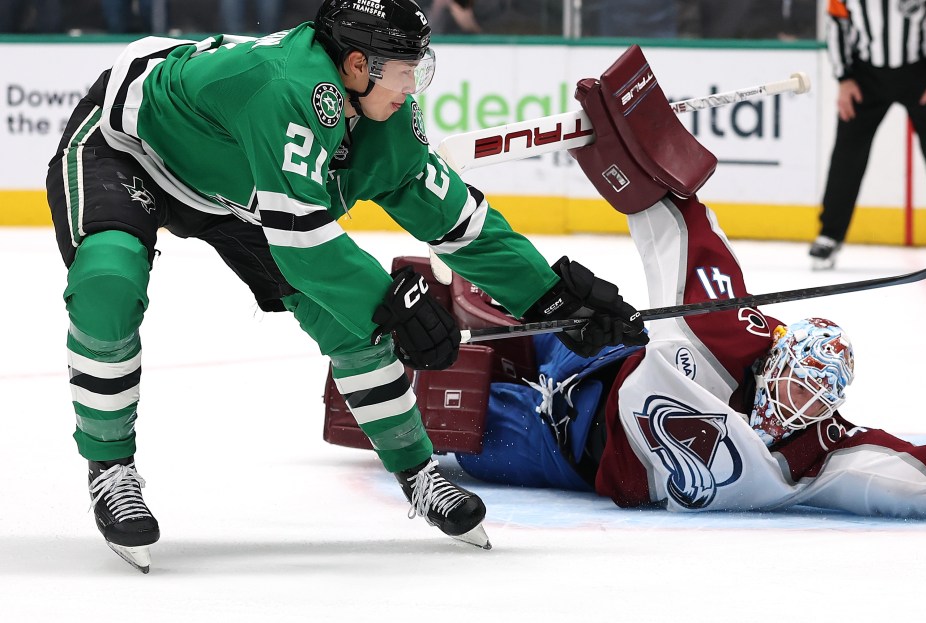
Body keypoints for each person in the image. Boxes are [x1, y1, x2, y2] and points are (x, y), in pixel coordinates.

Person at [350, 47, 926, 526]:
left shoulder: (818, 454)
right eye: (793, 385)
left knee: (452, 421)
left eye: (812, 403)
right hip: (604, 370)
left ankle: (381, 383)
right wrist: (632, 161)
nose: (792, 407)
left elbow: (913, 473)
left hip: (567, 452)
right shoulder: (731, 340)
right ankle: (438, 299)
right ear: (778, 357)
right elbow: (685, 238)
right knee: (503, 304)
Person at [46, 0, 646, 573]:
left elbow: (459, 224)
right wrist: (394, 304)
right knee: (108, 281)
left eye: (421, 69)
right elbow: (305, 248)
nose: (414, 87)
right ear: (358, 65)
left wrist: (554, 298)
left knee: (347, 322)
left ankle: (417, 472)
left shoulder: (384, 118)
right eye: (406, 71)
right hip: (127, 150)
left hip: (241, 184)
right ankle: (110, 468)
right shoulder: (286, 88)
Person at [811, 0, 926, 269]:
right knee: (846, 156)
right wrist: (844, 78)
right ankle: (829, 234)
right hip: (864, 76)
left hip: (922, 73)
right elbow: (837, 25)